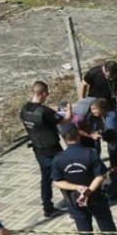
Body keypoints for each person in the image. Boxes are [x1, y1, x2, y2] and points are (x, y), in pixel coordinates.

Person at [52, 125, 117, 235]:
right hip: (96, 198)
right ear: (78, 136)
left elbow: (57, 181)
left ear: (64, 139)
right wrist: (89, 191)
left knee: (85, 232)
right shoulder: (90, 153)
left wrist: (77, 188)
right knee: (108, 230)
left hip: (75, 199)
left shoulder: (58, 158)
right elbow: (100, 176)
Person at [20, 80, 70, 218]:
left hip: (38, 149)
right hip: (53, 149)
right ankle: (72, 206)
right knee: (64, 175)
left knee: (46, 179)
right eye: (47, 93)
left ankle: (47, 208)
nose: (47, 96)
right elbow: (65, 120)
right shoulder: (44, 111)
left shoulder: (24, 110)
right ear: (42, 94)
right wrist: (69, 109)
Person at [79, 60, 117, 139]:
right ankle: (95, 150)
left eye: (113, 77)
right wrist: (82, 100)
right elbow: (83, 84)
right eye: (109, 76)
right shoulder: (94, 72)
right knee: (94, 132)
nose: (111, 79)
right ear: (105, 70)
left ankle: (114, 150)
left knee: (113, 133)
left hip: (110, 106)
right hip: (94, 107)